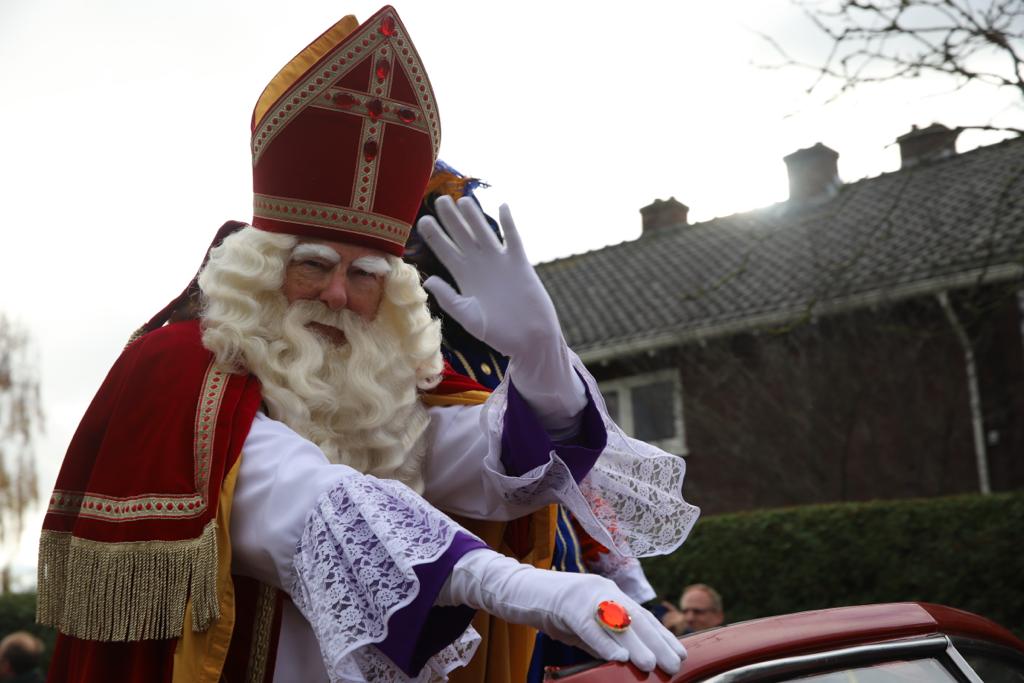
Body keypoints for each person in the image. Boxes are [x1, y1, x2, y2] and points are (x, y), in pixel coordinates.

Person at [37, 7, 698, 682]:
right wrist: (519, 586)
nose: (338, 296)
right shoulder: (183, 366)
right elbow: (309, 502)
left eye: (364, 275)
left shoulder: (374, 385)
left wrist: (542, 359)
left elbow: (490, 460)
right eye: (314, 265)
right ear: (260, 269)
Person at [411, 163, 662, 683]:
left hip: (569, 576)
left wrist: (632, 585)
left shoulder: (505, 353)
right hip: (484, 597)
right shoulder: (416, 361)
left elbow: (581, 482)